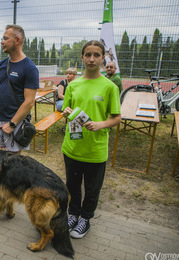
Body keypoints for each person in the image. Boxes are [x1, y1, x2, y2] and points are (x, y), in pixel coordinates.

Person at [61, 40, 121, 239]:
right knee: (72, 185)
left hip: (95, 150)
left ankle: (85, 219)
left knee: (93, 188)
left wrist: (100, 124)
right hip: (72, 147)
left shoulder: (109, 87)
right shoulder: (73, 85)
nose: (92, 59)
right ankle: (73, 214)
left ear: (103, 58)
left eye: (96, 55)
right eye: (88, 55)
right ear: (82, 58)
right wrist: (66, 111)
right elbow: (65, 110)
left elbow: (116, 118)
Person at [0, 24, 39, 153]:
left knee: (12, 162)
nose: (2, 42)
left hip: (14, 124)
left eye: (5, 38)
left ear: (17, 40)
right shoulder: (0, 65)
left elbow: (29, 101)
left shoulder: (30, 68)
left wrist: (12, 124)